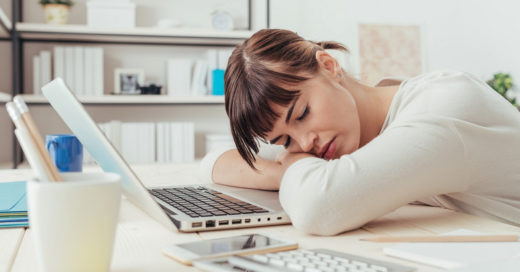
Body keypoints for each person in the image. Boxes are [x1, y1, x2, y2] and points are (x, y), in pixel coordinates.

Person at [200, 29, 520, 236]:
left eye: (303, 114)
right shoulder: (354, 134)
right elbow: (214, 163)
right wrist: (282, 172)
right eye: (284, 141)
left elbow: (317, 207)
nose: (305, 143)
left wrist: (291, 165)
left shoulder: (442, 110)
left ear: (328, 66)